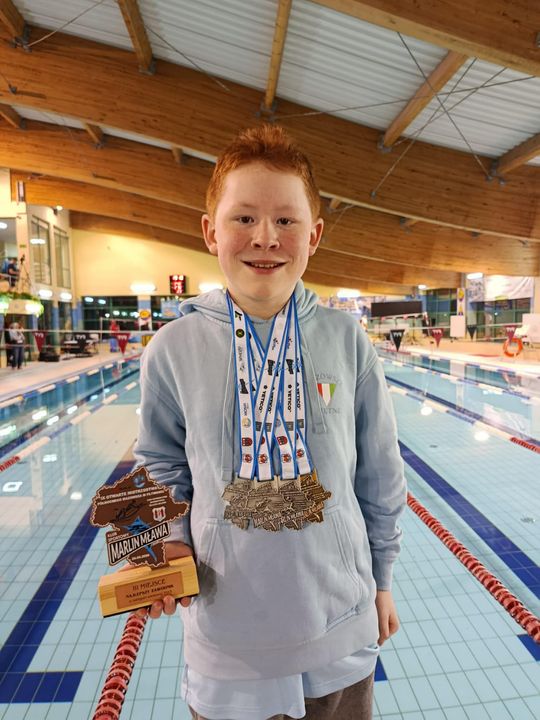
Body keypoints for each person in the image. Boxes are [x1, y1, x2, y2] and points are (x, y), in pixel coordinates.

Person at [133, 125, 406, 720]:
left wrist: (382, 580)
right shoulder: (172, 348)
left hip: (339, 626)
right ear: (211, 231)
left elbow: (380, 473)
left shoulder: (346, 339)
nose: (265, 237)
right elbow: (159, 465)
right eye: (244, 218)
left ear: (315, 234)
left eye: (286, 220)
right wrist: (166, 541)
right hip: (227, 635)